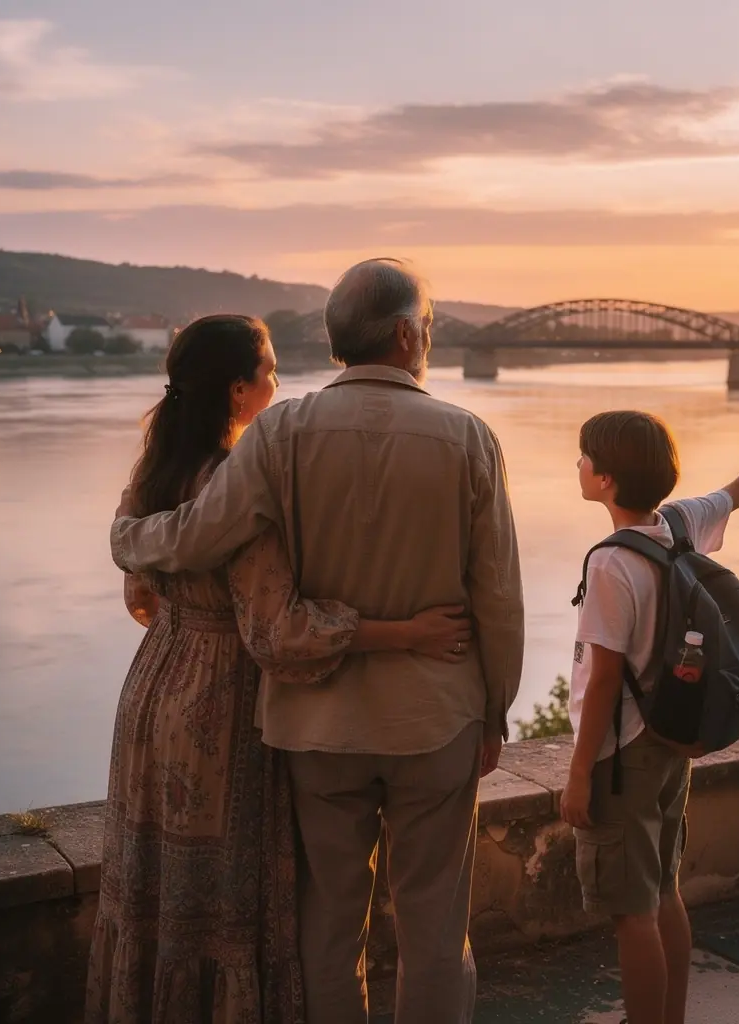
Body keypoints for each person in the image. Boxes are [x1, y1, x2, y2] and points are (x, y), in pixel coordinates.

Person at [109, 260, 524, 1024]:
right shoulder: (468, 438)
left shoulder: (280, 431)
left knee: (329, 927)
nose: (426, 337)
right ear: (405, 334)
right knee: (435, 926)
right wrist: (496, 707)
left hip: (316, 725)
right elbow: (497, 595)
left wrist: (129, 537)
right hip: (435, 720)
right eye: (426, 325)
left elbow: (201, 536)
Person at [559, 410, 739, 1024]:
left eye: (584, 457)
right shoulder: (676, 524)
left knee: (631, 913)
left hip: (624, 754)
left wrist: (579, 773)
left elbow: (605, 679)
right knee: (663, 891)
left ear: (607, 479)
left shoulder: (611, 564)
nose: (579, 465)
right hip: (671, 741)